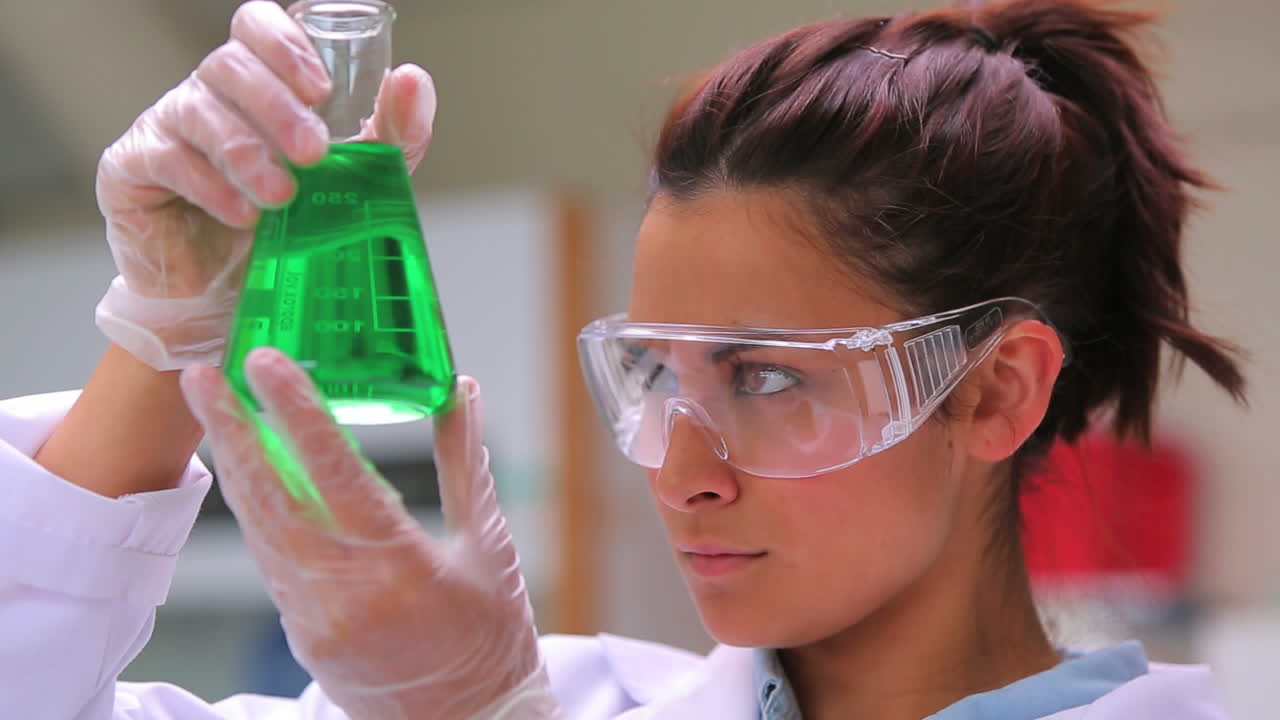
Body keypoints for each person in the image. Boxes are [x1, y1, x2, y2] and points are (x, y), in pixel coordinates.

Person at [0, 0, 1247, 717]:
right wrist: (161, 334)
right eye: (656, 376)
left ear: (989, 391)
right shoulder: (587, 699)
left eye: (764, 377)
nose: (679, 472)